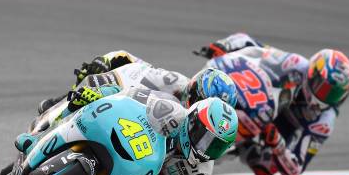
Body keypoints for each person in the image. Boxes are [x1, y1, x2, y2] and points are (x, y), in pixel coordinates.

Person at [18, 85, 238, 175]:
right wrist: (100, 95)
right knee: (87, 97)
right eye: (205, 138)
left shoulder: (199, 174)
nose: (205, 149)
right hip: (124, 138)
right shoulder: (169, 109)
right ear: (192, 122)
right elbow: (126, 94)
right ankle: (38, 135)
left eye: (215, 146)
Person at [195, 33, 349, 175]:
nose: (325, 96)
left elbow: (295, 170)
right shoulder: (296, 65)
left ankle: (238, 147)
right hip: (260, 104)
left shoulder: (324, 122)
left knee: (266, 166)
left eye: (333, 93)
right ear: (312, 73)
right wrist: (224, 46)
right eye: (323, 87)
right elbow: (252, 45)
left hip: (276, 134)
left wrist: (278, 144)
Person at [37, 50, 238, 114]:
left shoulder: (200, 134)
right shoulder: (175, 81)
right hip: (125, 107)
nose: (195, 106)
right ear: (193, 87)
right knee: (97, 80)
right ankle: (58, 109)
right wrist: (105, 62)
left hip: (141, 144)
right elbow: (131, 63)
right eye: (197, 100)